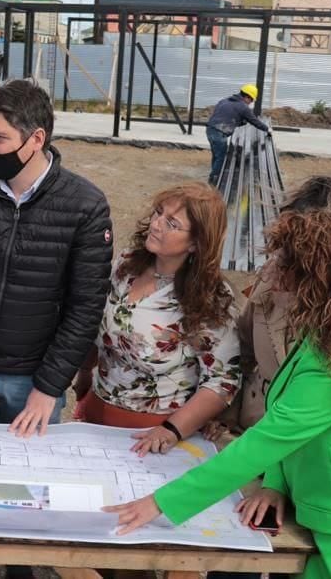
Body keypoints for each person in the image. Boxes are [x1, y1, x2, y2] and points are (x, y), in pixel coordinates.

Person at [105, 177, 331, 579]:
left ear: (316, 278)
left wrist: (160, 503)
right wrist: (278, 483)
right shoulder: (328, 326)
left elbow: (270, 438)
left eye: (286, 264)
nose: (273, 271)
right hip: (321, 516)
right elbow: (288, 425)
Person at [0, 79, 113, 579]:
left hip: (33, 383)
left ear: (36, 139)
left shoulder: (84, 206)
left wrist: (47, 388)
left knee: (26, 500)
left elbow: (84, 307)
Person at [209, 176, 331, 437]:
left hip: (307, 443)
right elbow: (243, 349)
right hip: (250, 425)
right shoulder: (274, 273)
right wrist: (225, 413)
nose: (278, 262)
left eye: (298, 253)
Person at [72, 182, 241, 457]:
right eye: (158, 212)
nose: (157, 224)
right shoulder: (125, 266)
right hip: (97, 412)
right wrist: (83, 373)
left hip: (155, 432)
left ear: (197, 243)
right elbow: (96, 326)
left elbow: (222, 380)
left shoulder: (210, 299)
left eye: (172, 223)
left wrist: (172, 430)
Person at [206, 84, 271, 185]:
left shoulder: (225, 100)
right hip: (219, 133)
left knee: (216, 155)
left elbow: (224, 116)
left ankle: (214, 174)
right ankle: (214, 180)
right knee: (221, 157)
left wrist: (239, 121)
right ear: (247, 97)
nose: (251, 103)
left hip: (210, 130)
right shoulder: (243, 107)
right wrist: (267, 129)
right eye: (251, 100)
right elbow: (255, 121)